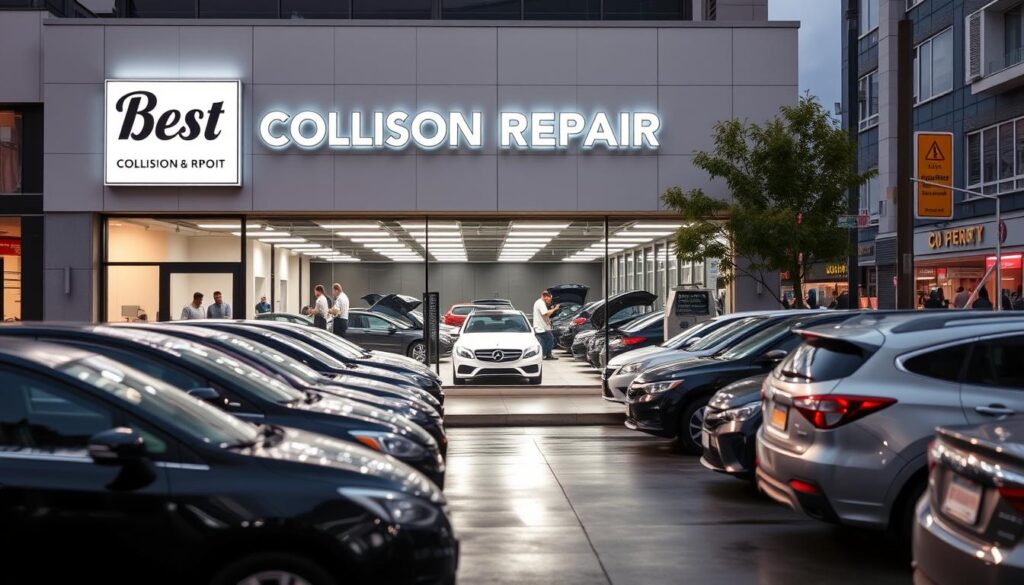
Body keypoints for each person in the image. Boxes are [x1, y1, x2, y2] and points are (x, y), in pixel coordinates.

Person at [532, 290, 560, 360]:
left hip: (541, 327)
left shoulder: (540, 302)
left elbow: (545, 315)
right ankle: (545, 355)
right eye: (549, 299)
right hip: (541, 327)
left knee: (547, 340)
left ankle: (546, 355)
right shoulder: (540, 303)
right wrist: (555, 309)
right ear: (545, 297)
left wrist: (549, 319)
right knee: (550, 339)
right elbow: (546, 314)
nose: (550, 301)